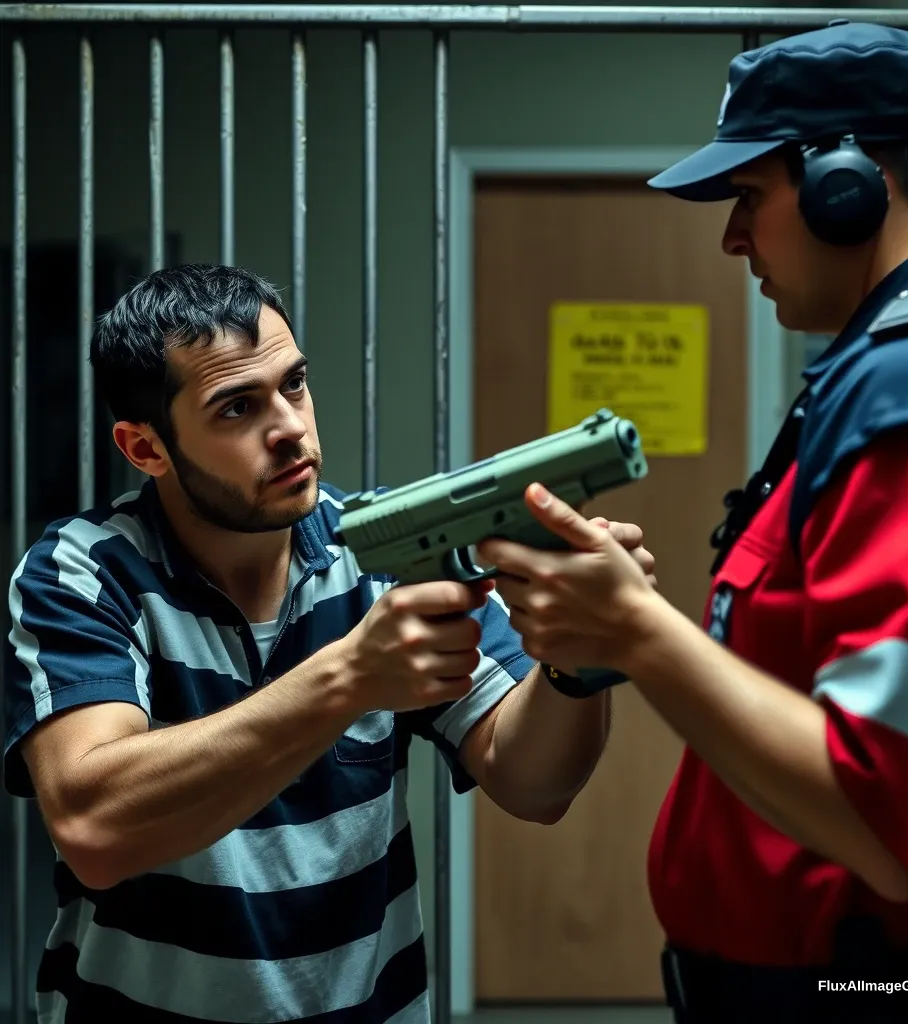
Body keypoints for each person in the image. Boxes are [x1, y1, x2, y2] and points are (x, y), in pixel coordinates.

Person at [478, 19, 908, 1023]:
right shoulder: (893, 362)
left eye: (746, 198)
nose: (732, 238)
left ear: (846, 185)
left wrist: (637, 636)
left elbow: (888, 812)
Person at [1, 264, 655, 1024]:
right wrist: (350, 675)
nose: (290, 428)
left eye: (295, 384)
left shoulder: (379, 552)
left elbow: (534, 784)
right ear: (145, 448)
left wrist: (576, 660)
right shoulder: (83, 572)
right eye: (237, 408)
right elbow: (96, 828)